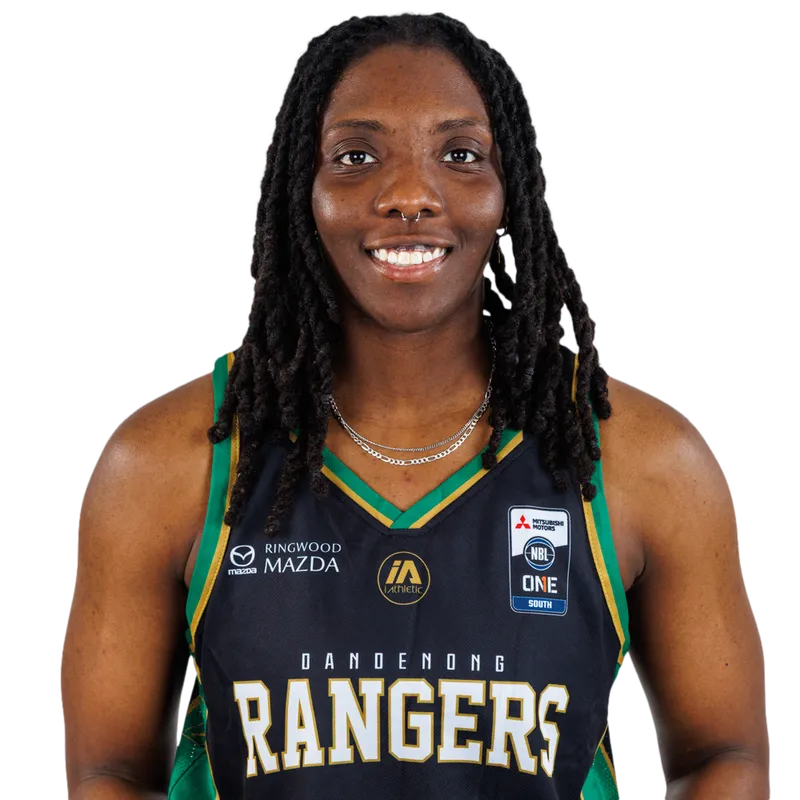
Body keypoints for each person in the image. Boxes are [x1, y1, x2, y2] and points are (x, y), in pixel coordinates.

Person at [60, 10, 769, 799]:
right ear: (303, 189)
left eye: (460, 155)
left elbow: (723, 756)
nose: (409, 195)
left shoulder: (642, 459)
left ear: (509, 189)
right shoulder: (167, 463)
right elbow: (110, 772)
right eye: (356, 157)